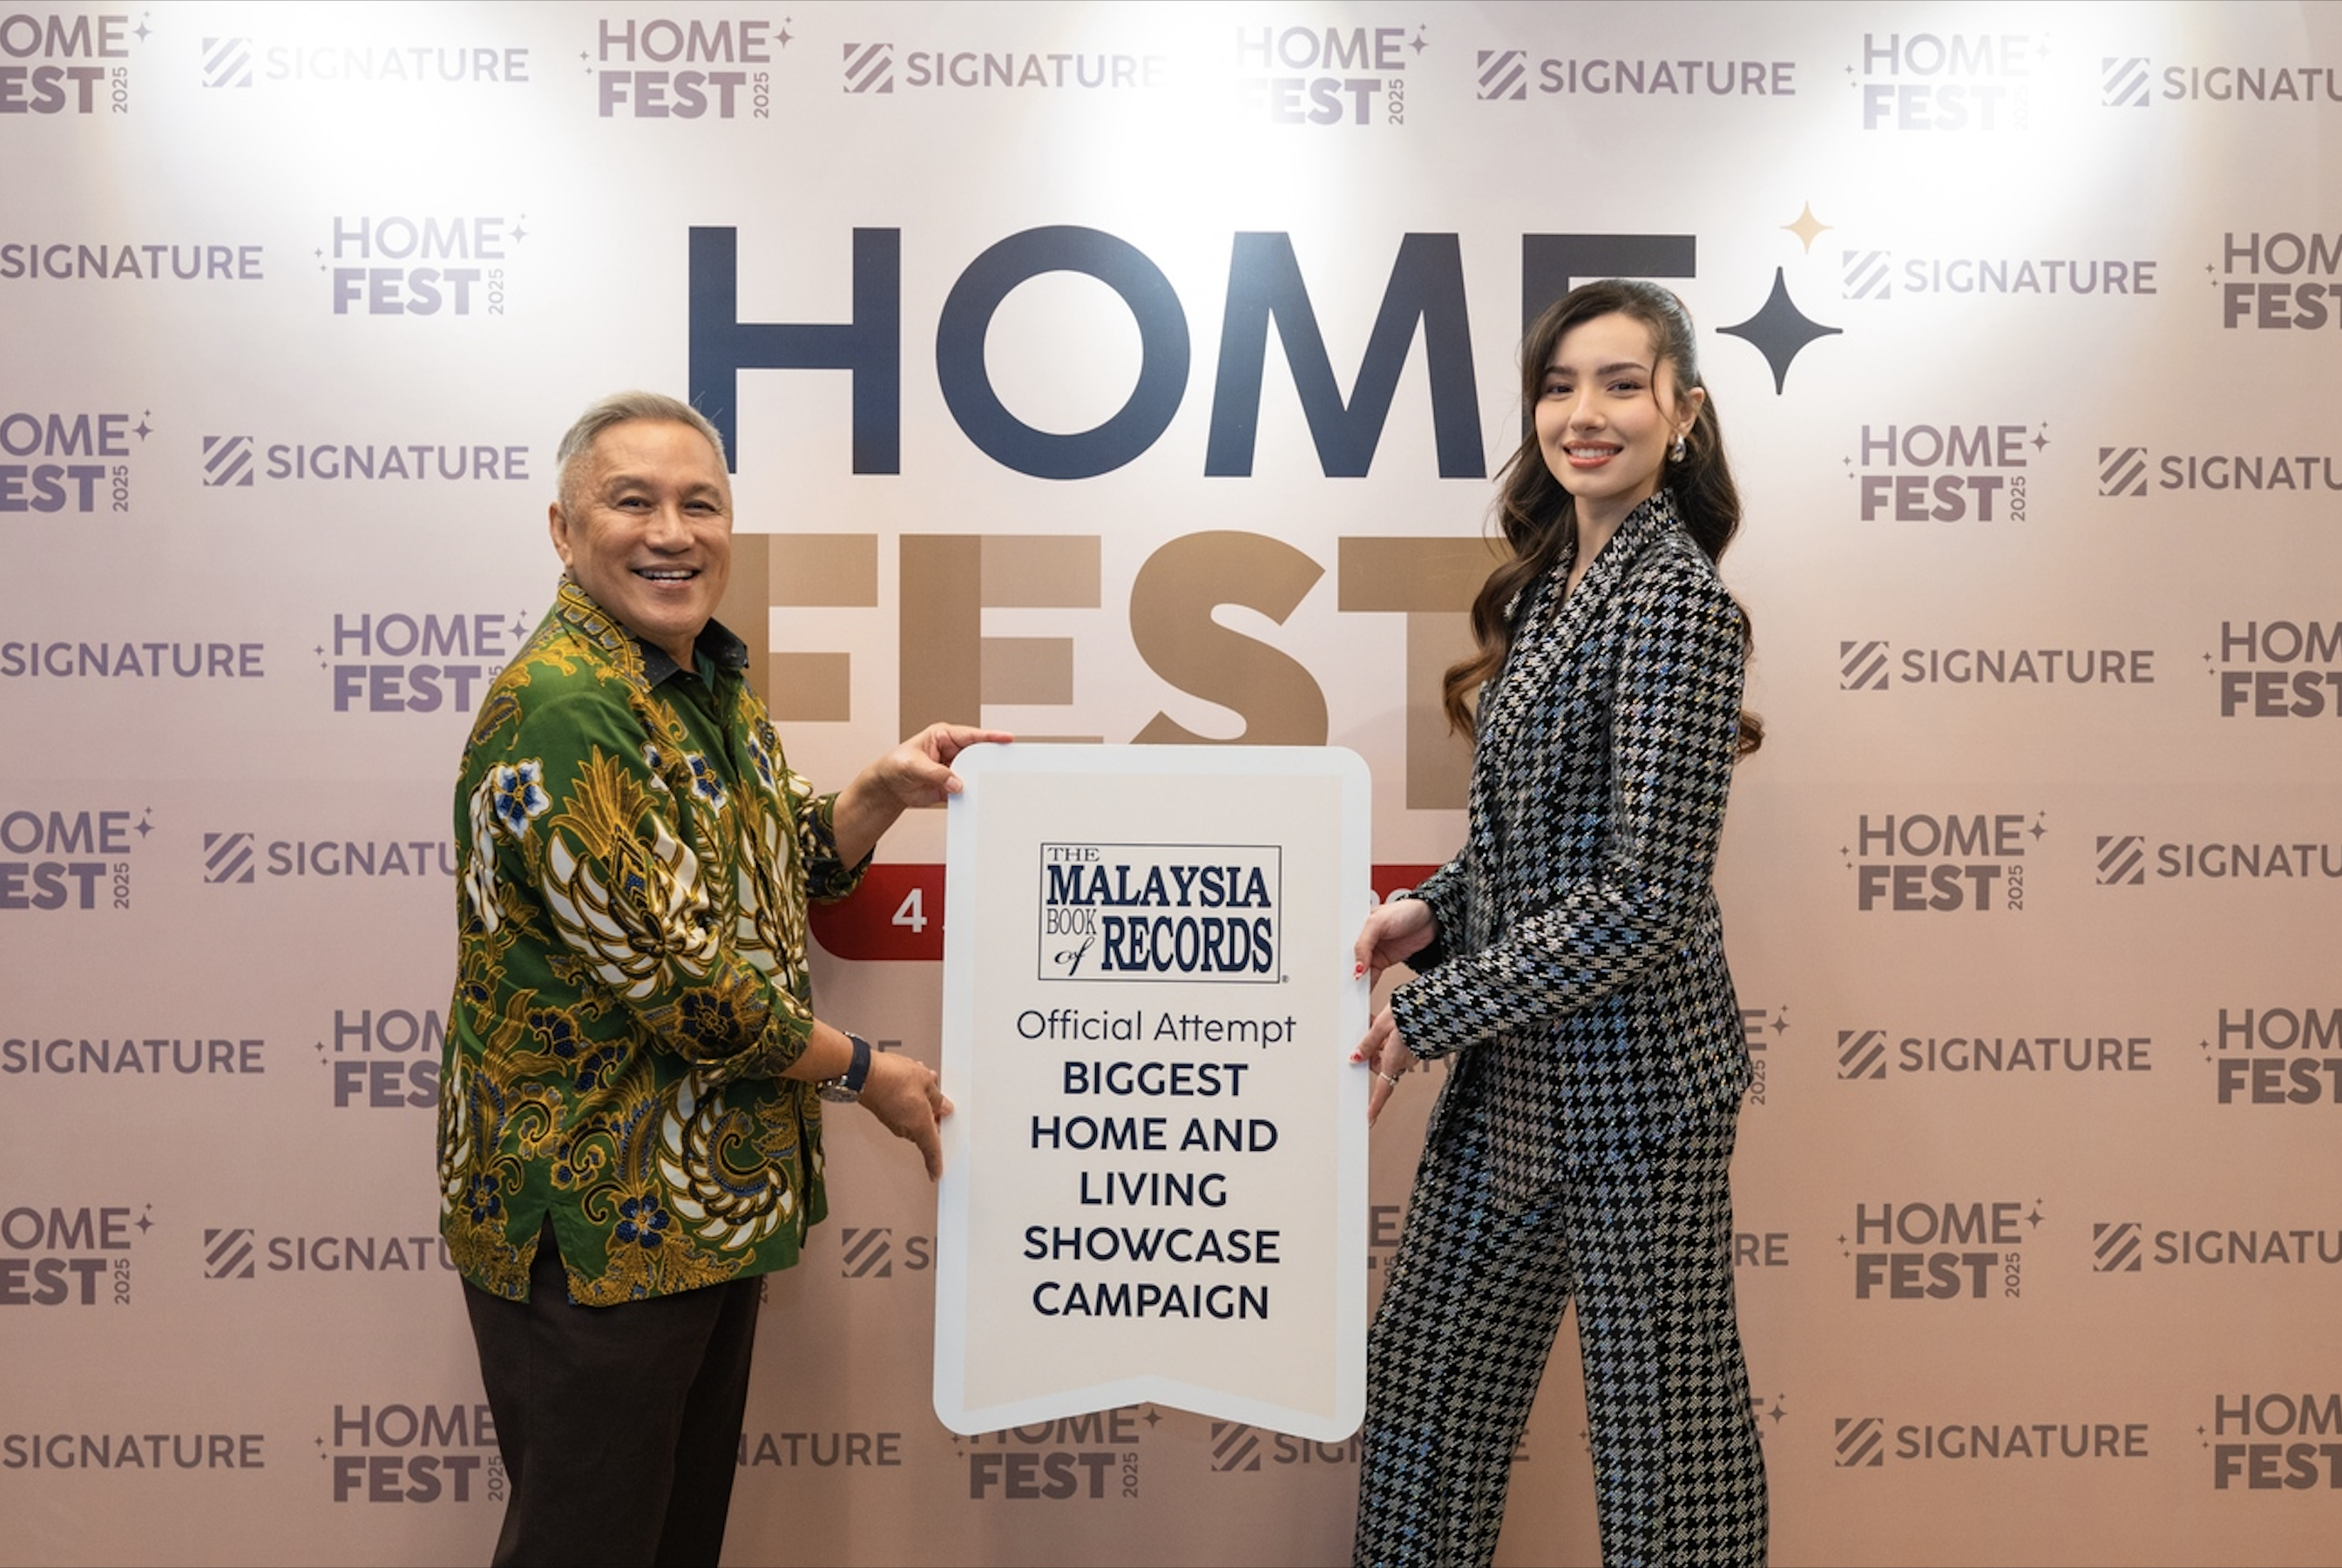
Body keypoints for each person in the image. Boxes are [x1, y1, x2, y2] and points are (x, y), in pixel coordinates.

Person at [437, 390, 1006, 1566]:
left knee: (667, 1544)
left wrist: (880, 790)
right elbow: (686, 985)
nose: (672, 533)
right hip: (598, 1219)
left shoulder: (702, 679)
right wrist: (867, 1073)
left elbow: (785, 859)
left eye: (700, 505)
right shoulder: (569, 706)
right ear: (563, 530)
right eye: (632, 502)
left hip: (697, 1209)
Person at [1346, 280, 1769, 1568]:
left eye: (1622, 384)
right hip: (1517, 1079)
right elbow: (1530, 842)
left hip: (1641, 1092)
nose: (1585, 413)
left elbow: (1646, 898)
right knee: (1423, 1401)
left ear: (1683, 412)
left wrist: (1432, 1009)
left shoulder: (1678, 602)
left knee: (1664, 1468)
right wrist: (1434, 910)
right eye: (1559, 385)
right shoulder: (1544, 593)